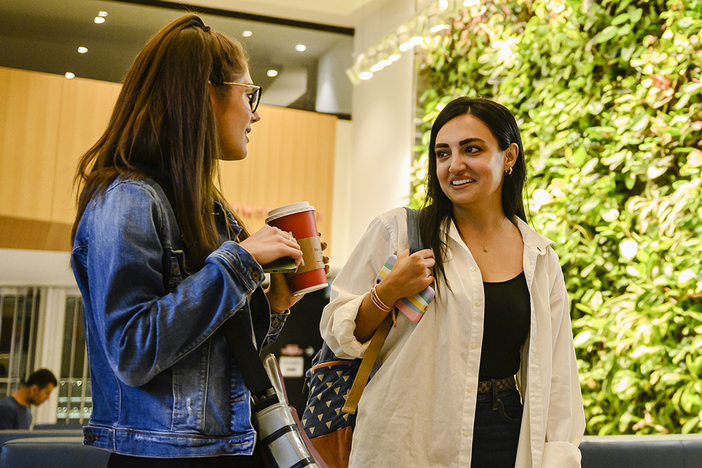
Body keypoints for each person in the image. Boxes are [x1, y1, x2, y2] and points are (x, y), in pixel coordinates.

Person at [71, 14, 327, 467]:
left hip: (222, 447)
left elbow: (210, 352)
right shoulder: (127, 200)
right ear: (205, 92)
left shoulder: (204, 204)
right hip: (163, 456)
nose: (256, 112)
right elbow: (132, 350)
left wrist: (275, 303)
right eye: (248, 93)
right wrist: (241, 262)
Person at [320, 97, 585, 467]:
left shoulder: (539, 257)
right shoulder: (398, 232)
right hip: (409, 432)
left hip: (504, 430)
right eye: (442, 153)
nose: (454, 165)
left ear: (509, 157)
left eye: (471, 149)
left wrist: (559, 456)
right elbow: (337, 333)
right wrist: (388, 291)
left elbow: (558, 376)